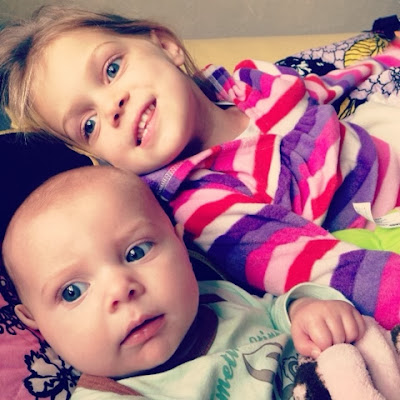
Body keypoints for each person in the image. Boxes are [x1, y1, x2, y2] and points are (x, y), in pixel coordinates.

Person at [1, 5, 400, 329]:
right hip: (377, 228)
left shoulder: (250, 82)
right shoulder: (200, 209)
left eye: (111, 69)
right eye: (89, 125)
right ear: (106, 159)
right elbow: (322, 268)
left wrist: (387, 57)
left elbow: (324, 86)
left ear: (166, 45)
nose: (111, 107)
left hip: (376, 139)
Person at [2, 165, 366, 399]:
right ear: (37, 325)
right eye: (73, 291)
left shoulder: (218, 296)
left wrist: (306, 309)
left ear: (180, 243)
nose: (121, 289)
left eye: (137, 251)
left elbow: (275, 310)